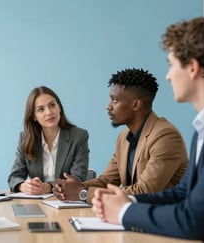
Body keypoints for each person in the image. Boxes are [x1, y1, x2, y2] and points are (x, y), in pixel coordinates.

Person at [92, 16, 204, 243]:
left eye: (172, 64)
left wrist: (124, 212)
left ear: (193, 67)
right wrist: (127, 201)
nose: (168, 75)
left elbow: (194, 219)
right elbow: (181, 194)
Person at [53, 68, 188, 203]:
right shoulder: (124, 137)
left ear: (136, 105)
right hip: (134, 215)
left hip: (161, 218)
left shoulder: (165, 136)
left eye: (115, 100)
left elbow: (144, 191)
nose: (108, 106)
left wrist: (83, 193)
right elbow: (107, 180)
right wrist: (70, 187)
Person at [7, 86, 89, 195]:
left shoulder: (79, 136)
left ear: (59, 107)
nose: (49, 112)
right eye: (41, 109)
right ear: (34, 116)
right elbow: (14, 177)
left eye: (52, 105)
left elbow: (77, 179)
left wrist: (48, 187)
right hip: (36, 203)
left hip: (67, 201)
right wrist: (23, 186)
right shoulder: (25, 138)